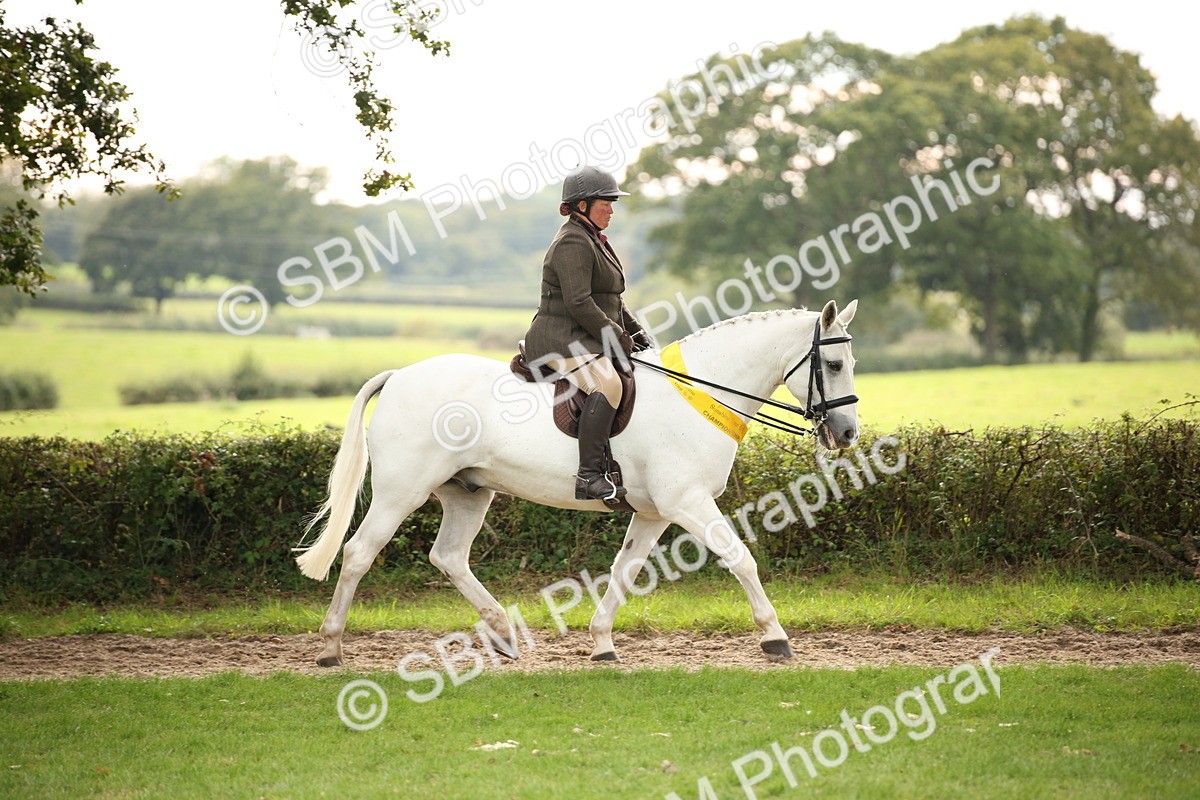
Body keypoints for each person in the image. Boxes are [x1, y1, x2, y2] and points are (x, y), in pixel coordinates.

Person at [523, 166, 652, 501]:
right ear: (581, 205)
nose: (612, 209)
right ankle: (588, 476)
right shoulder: (572, 242)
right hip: (559, 339)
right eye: (605, 202)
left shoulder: (594, 239)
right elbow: (580, 302)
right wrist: (614, 335)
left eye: (612, 203)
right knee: (607, 383)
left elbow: (612, 299)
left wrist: (637, 332)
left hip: (585, 336)